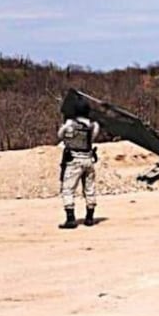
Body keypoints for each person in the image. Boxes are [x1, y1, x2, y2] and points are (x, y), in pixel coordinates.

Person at [57, 97, 100, 229]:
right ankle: (90, 218)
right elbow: (93, 137)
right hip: (88, 159)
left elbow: (60, 135)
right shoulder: (93, 125)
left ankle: (70, 219)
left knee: (68, 190)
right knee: (89, 189)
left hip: (74, 161)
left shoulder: (69, 124)